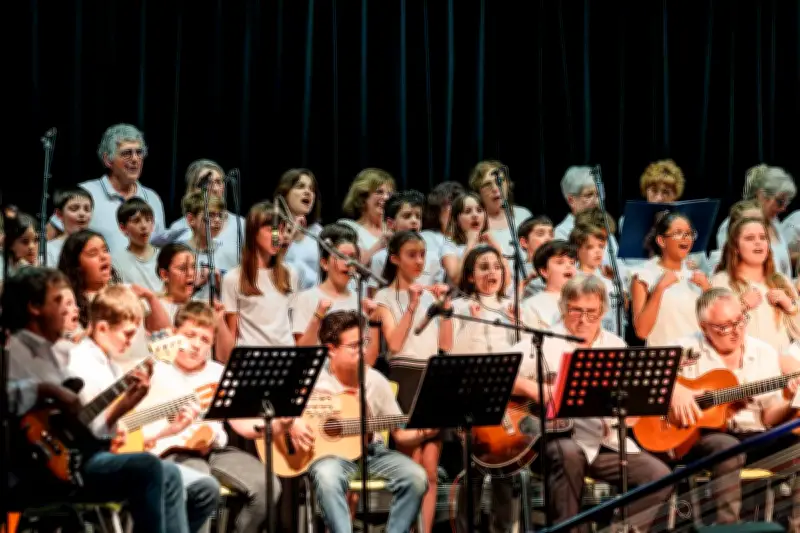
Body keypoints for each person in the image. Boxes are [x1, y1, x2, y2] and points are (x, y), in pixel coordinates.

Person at [3, 268, 191, 533]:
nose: (70, 312)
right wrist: (46, 389)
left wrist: (124, 407)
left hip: (74, 456)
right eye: (58, 302)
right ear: (34, 307)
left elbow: (80, 426)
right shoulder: (15, 352)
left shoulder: (56, 354)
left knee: (167, 473)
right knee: (148, 467)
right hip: (35, 471)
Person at [517, 275, 673, 532]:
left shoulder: (615, 345)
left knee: (658, 476)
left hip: (604, 442)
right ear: (563, 308)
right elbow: (508, 377)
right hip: (555, 439)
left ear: (603, 311)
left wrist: (633, 409)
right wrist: (538, 390)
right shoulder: (544, 343)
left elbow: (630, 408)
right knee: (569, 455)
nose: (583, 319)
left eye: (592, 312)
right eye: (576, 311)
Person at [278, 310, 428, 533]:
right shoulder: (310, 379)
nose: (363, 350)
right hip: (329, 457)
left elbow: (400, 434)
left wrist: (423, 433)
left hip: (371, 454)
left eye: (364, 343)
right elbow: (275, 407)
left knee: (417, 477)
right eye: (354, 346)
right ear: (331, 350)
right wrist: (293, 422)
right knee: (327, 476)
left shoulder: (375, 381)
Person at [665, 288, 800, 531]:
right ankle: (728, 528)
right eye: (724, 327)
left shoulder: (764, 352)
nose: (736, 331)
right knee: (727, 448)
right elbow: (648, 382)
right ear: (704, 326)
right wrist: (677, 391)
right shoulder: (684, 349)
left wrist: (791, 402)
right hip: (703, 435)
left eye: (740, 321)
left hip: (755, 434)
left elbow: (769, 418)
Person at [140, 301, 279, 533]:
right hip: (172, 451)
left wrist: (275, 425)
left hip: (212, 450)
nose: (195, 345)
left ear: (212, 345)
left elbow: (243, 424)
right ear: (174, 335)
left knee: (268, 487)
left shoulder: (218, 373)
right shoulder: (157, 368)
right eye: (189, 335)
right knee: (201, 484)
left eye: (204, 340)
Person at [371, 231, 454, 532]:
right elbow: (393, 344)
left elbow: (445, 345)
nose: (419, 261)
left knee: (430, 470)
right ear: (394, 258)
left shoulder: (432, 294)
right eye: (411, 254)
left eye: (422, 254)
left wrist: (445, 311)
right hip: (404, 376)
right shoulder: (384, 297)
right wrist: (411, 304)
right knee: (413, 467)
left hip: (430, 377)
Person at [48, 124, 165, 253]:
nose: (135, 159)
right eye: (126, 153)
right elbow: (50, 236)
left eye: (139, 152)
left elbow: (160, 248)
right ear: (108, 160)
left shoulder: (152, 198)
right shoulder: (85, 193)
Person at [712, 217, 800, 353]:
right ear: (736, 247)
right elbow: (715, 329)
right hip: (746, 367)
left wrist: (789, 305)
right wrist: (742, 305)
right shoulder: (722, 282)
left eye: (763, 238)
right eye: (749, 238)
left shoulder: (780, 280)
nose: (758, 242)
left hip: (781, 367)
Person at [221, 201, 298, 346]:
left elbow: (291, 324)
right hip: (251, 358)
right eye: (272, 230)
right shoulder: (233, 278)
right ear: (253, 232)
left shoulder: (289, 274)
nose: (279, 238)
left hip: (284, 356)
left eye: (282, 231)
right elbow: (233, 333)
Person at [630, 211, 709, 345]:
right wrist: (659, 288)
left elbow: (715, 321)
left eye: (689, 233)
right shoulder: (644, 274)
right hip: (664, 357)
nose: (685, 238)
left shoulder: (696, 275)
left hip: (695, 356)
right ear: (661, 240)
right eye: (678, 233)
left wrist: (707, 289)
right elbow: (642, 332)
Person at [716, 164, 795, 277]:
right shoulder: (733, 223)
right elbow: (728, 268)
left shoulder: (775, 223)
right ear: (761, 194)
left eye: (786, 202)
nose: (783, 208)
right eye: (779, 201)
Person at [467, 160, 532, 260]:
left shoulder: (523, 215)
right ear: (478, 191)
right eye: (487, 184)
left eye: (500, 181)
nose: (495, 188)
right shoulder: (476, 222)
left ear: (508, 184)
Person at [275, 168, 324, 289]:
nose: (308, 192)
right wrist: (290, 236)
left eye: (311, 189)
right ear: (285, 193)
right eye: (300, 186)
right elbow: (269, 263)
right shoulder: (273, 228)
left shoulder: (319, 232)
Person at [339, 168, 396, 263]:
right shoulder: (348, 228)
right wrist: (381, 244)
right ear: (363, 196)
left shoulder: (395, 228)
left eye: (389, 194)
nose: (386, 198)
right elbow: (352, 265)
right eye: (379, 192)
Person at [521, 240, 577, 329]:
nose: (568, 266)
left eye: (572, 262)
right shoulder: (532, 305)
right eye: (560, 262)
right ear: (544, 271)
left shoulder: (583, 299)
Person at [113, 198, 161, 292]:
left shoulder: (164, 256)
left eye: (148, 220)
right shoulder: (115, 261)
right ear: (123, 228)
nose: (144, 226)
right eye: (136, 221)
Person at [45, 187, 94, 267]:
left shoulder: (97, 245)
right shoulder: (50, 250)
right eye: (74, 209)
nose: (82, 213)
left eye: (87, 209)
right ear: (59, 214)